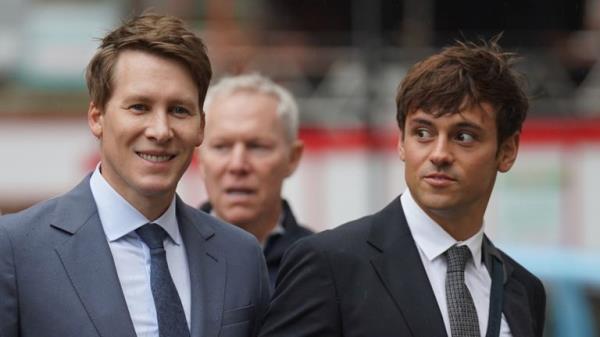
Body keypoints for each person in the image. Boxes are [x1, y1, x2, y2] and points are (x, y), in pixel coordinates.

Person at [0, 13, 270, 337]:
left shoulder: (241, 255)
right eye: (139, 107)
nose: (161, 130)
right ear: (97, 116)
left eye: (179, 110)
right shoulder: (16, 249)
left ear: (201, 125)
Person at [258, 39, 546, 337]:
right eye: (422, 133)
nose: (439, 154)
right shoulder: (330, 263)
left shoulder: (523, 290)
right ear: (401, 142)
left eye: (463, 136)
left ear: (507, 151)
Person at [198, 73, 312, 287]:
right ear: (200, 159)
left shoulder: (323, 266)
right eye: (221, 147)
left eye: (257, 146)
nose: (237, 165)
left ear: (293, 157)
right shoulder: (166, 255)